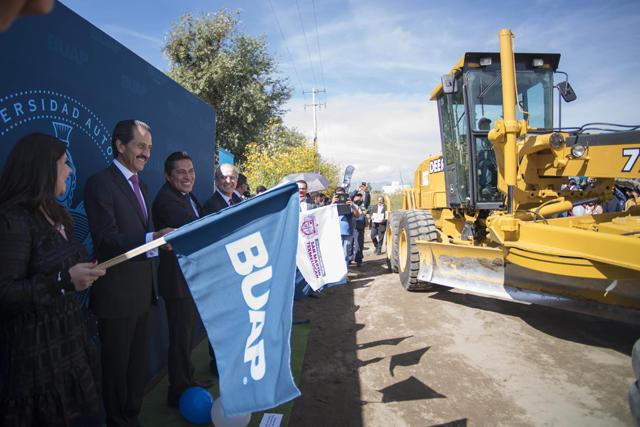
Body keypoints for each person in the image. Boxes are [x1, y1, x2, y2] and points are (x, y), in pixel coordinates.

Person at [0, 133, 105, 426]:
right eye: (63, 163)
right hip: (36, 358)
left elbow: (64, 266)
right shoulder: (12, 221)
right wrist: (63, 281)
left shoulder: (56, 212)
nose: (70, 170)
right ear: (43, 168)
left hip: (69, 342)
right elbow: (5, 293)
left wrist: (83, 270)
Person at [84, 119, 172, 427]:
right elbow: (106, 241)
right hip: (116, 299)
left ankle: (132, 418)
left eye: (149, 148)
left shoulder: (142, 185)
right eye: (140, 146)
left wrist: (157, 243)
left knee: (136, 370)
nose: (146, 153)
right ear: (120, 145)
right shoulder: (100, 183)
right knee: (117, 372)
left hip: (143, 294)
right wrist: (152, 238)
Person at [152, 151, 211, 407]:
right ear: (168, 175)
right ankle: (178, 392)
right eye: (181, 172)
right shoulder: (167, 200)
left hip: (190, 280)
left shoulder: (187, 196)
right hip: (178, 282)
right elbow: (194, 228)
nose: (188, 177)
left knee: (185, 337)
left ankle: (185, 383)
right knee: (180, 339)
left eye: (191, 172)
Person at [201, 163, 242, 375]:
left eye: (232, 177)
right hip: (220, 272)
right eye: (224, 178)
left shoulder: (237, 200)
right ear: (216, 180)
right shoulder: (211, 205)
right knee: (220, 322)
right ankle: (217, 364)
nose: (229, 181)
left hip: (237, 270)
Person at [332, 187, 360, 273]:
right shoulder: (332, 206)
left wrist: (352, 205)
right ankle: (336, 273)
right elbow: (325, 214)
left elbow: (357, 215)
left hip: (347, 232)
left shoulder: (349, 204)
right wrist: (332, 203)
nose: (340, 197)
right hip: (334, 232)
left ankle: (345, 273)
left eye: (342, 195)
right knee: (336, 255)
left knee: (346, 254)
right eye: (338, 195)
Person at [352, 193, 366, 267]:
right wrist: (356, 190)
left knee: (359, 244)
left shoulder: (363, 204)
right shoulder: (351, 204)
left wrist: (366, 192)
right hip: (352, 227)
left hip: (360, 227)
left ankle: (359, 260)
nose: (358, 198)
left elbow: (367, 200)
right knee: (350, 244)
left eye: (360, 197)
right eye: (356, 197)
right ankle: (350, 259)